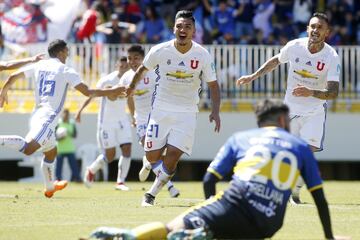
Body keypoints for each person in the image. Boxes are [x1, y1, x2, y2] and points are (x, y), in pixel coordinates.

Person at [89, 99, 346, 240]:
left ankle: (131, 237)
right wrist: (330, 238)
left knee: (171, 229)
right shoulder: (300, 146)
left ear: (260, 122)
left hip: (232, 205)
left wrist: (215, 205)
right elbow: (319, 198)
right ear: (282, 120)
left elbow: (209, 179)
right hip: (269, 224)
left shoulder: (242, 138)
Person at [236, 12, 341, 204]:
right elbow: (276, 61)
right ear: (308, 28)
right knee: (281, 151)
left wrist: (311, 92)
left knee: (306, 155)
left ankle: (294, 192)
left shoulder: (331, 56)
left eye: (320, 27)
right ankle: (264, 187)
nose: (315, 30)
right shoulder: (295, 46)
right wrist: (252, 76)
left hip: (314, 112)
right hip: (290, 110)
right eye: (313, 26)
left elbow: (333, 92)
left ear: (327, 32)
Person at [0, 39, 126, 198]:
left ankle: (50, 187)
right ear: (60, 53)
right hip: (48, 116)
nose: (68, 54)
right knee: (28, 148)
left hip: (37, 113)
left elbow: (13, 76)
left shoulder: (40, 65)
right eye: (67, 51)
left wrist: (4, 91)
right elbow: (87, 92)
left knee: (51, 152)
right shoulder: (65, 70)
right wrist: (112, 91)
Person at [126, 10, 221, 206]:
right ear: (174, 29)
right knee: (152, 155)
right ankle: (149, 162)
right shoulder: (160, 50)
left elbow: (213, 84)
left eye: (187, 26)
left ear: (194, 30)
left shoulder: (202, 54)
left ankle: (150, 195)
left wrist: (215, 111)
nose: (183, 30)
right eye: (179, 26)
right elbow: (143, 69)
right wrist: (131, 87)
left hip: (187, 113)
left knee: (173, 157)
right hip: (161, 110)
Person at [120, 45, 180, 198]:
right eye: (130, 58)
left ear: (143, 59)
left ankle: (148, 163)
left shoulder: (153, 72)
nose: (133, 62)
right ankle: (170, 187)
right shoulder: (126, 78)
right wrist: (133, 116)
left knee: (158, 153)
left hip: (157, 116)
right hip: (141, 119)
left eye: (136, 58)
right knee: (149, 147)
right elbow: (129, 99)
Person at [76, 56, 133, 191]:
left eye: (126, 66)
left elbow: (131, 99)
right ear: (116, 66)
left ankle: (120, 182)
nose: (124, 68)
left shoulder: (131, 80)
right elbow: (92, 94)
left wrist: (133, 115)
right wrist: (80, 110)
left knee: (127, 149)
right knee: (110, 156)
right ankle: (91, 169)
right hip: (106, 122)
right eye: (121, 66)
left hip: (122, 120)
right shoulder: (107, 80)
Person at [55, 108, 81, 182]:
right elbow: (54, 136)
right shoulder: (58, 123)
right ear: (62, 115)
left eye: (67, 114)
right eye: (64, 114)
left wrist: (68, 132)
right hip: (60, 148)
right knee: (59, 166)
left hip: (70, 148)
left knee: (74, 166)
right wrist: (60, 137)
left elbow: (75, 135)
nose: (66, 116)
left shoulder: (72, 123)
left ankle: (77, 178)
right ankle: (58, 179)